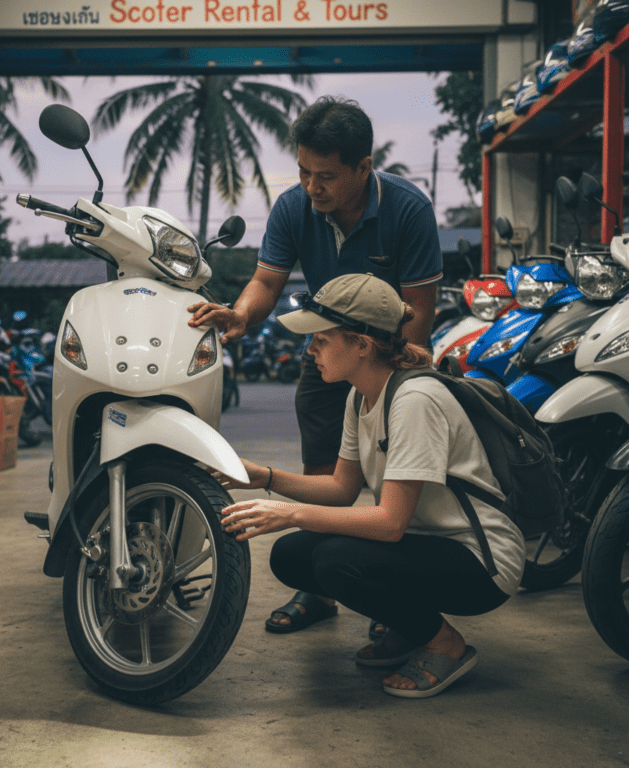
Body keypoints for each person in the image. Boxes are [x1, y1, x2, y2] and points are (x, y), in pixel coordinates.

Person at [188, 96, 443, 631]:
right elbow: (266, 281)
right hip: (331, 352)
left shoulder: (408, 208)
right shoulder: (292, 208)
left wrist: (399, 386)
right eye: (304, 172)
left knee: (397, 482)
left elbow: (418, 309)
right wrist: (240, 315)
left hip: (392, 358)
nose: (311, 187)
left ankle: (391, 599)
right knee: (327, 471)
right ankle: (320, 591)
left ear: (363, 167)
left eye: (325, 176)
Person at [214, 273, 526, 698]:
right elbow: (342, 488)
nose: (311, 350)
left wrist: (288, 514)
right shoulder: (360, 395)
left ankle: (444, 644)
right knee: (292, 555)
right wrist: (264, 478)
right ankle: (409, 625)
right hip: (425, 543)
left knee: (334, 559)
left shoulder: (416, 400)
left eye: (321, 340)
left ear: (361, 344)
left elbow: (390, 523)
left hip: (480, 561)